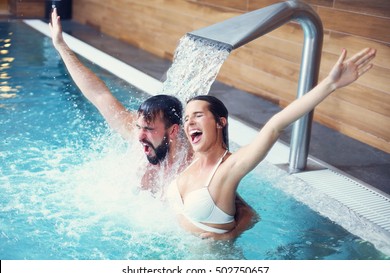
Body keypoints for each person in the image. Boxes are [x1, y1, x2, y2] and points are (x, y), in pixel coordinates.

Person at [49, 8, 257, 239]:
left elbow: (247, 213)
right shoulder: (139, 137)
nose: (139, 136)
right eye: (139, 127)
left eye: (148, 129)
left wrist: (230, 235)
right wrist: (60, 45)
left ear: (173, 130)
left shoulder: (196, 162)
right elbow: (99, 95)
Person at [168, 47, 376, 237]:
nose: (189, 122)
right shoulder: (193, 158)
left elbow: (276, 125)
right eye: (186, 118)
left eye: (197, 115)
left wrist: (329, 84)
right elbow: (246, 211)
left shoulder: (229, 167)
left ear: (220, 122)